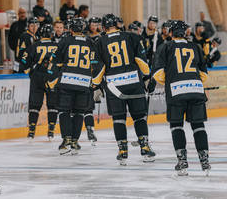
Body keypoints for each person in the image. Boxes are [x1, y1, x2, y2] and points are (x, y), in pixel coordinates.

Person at [152, 20, 211, 176]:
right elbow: (204, 75)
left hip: (176, 92)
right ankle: (204, 161)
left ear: (171, 33)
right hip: (196, 91)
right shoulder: (195, 47)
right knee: (198, 126)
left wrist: (172, 80)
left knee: (176, 126)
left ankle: (182, 161)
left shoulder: (165, 47)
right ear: (185, 33)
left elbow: (158, 74)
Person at [95, 14, 155, 165]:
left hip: (114, 86)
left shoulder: (100, 41)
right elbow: (141, 60)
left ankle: (123, 151)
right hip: (134, 83)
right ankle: (145, 148)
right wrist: (147, 77)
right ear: (118, 24)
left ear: (103, 27)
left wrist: (95, 85)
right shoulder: (132, 37)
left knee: (119, 118)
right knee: (139, 117)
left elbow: (100, 67)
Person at [47, 17, 103, 155]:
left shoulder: (65, 41)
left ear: (70, 29)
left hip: (67, 82)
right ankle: (74, 141)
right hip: (84, 84)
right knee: (79, 112)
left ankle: (66, 140)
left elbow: (54, 62)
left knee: (64, 112)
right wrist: (95, 83)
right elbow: (97, 64)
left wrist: (51, 81)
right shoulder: (90, 42)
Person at [19, 24, 58, 141]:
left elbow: (24, 60)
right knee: (53, 105)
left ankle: (31, 131)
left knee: (35, 105)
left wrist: (29, 71)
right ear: (51, 34)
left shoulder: (34, 45)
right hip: (52, 77)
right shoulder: (57, 46)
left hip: (37, 77)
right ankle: (51, 131)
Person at [83, 16, 103, 143]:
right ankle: (88, 129)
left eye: (97, 24)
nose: (94, 26)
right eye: (92, 23)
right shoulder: (88, 39)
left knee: (86, 106)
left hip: (87, 75)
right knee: (86, 106)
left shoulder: (99, 39)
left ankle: (88, 130)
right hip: (88, 75)